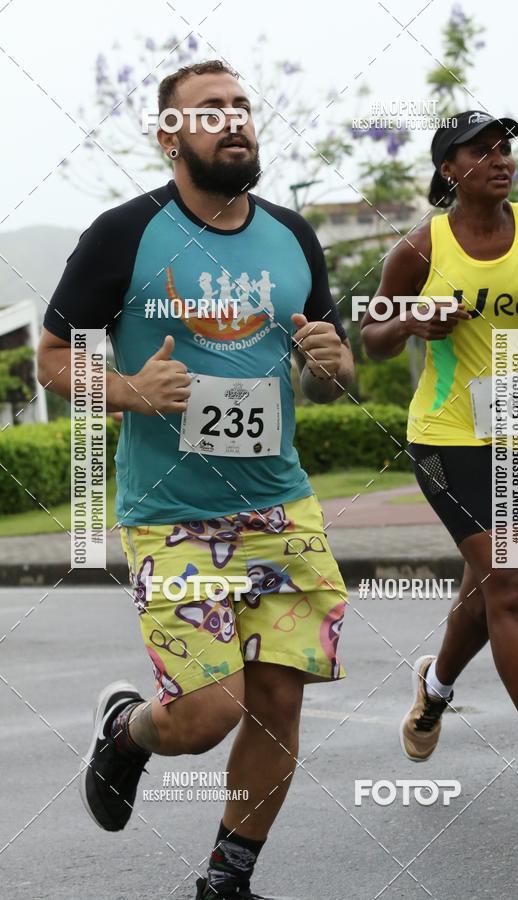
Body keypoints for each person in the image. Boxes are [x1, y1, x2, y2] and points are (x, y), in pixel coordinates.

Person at [37, 60, 354, 899]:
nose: (234, 119)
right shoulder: (124, 233)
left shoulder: (292, 235)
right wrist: (133, 390)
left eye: (242, 107)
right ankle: (128, 733)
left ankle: (226, 879)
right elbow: (52, 358)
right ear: (170, 134)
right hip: (171, 512)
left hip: (281, 508)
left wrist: (330, 363)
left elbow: (330, 360)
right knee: (210, 715)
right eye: (211, 110)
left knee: (279, 705)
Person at [360, 110, 518, 817]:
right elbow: (370, 335)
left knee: (490, 583)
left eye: (505, 149)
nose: (500, 160)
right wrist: (410, 321)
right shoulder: (418, 248)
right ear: (448, 170)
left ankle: (433, 688)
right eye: (481, 151)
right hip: (447, 440)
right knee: (512, 582)